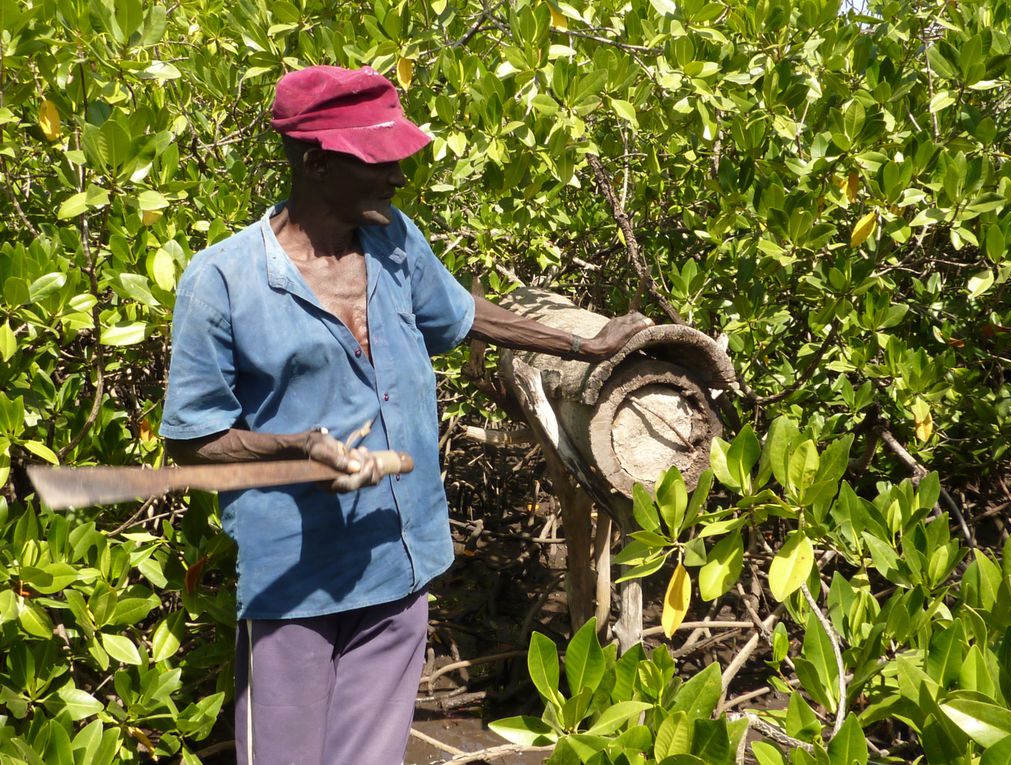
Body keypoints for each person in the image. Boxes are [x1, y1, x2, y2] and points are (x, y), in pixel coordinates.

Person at [159, 65, 651, 765]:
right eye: (377, 159)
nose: (398, 175)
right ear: (316, 162)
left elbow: (461, 311)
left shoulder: (393, 240)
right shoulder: (220, 282)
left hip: (400, 563)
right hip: (294, 583)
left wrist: (580, 340)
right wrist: (299, 450)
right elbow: (195, 441)